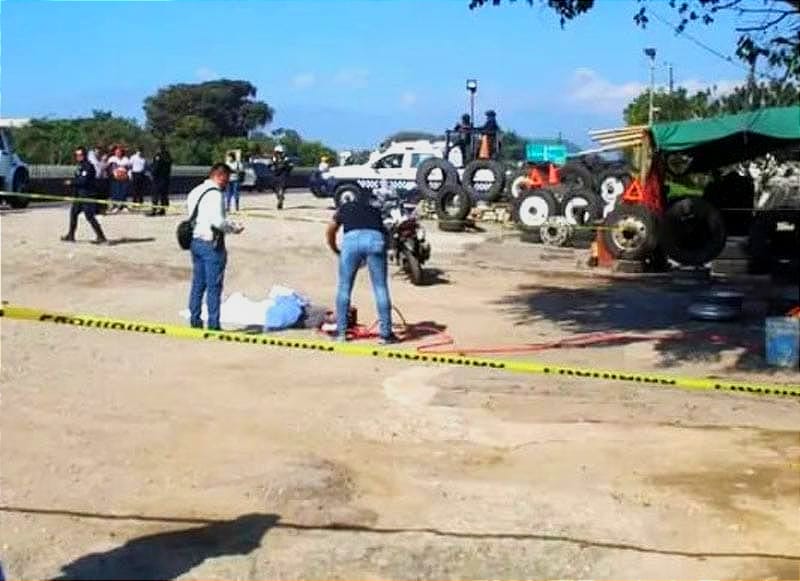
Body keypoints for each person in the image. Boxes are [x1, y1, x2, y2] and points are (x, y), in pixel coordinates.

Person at [325, 190, 397, 344]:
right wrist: (387, 250)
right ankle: (386, 335)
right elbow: (386, 234)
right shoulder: (375, 210)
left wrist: (335, 249)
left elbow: (331, 229)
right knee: (380, 287)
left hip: (351, 242)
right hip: (375, 240)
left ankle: (341, 333)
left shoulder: (345, 208)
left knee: (344, 287)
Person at [186, 163, 244, 331]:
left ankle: (195, 320)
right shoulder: (216, 194)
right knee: (214, 286)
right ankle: (213, 324)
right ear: (220, 176)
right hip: (211, 243)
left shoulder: (195, 191)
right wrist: (234, 228)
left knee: (198, 283)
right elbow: (218, 222)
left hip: (195, 241)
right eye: (227, 179)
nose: (227, 183)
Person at [61, 146, 107, 244]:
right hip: (78, 195)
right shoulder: (80, 166)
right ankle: (71, 235)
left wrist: (71, 182)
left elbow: (83, 181)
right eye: (76, 155)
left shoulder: (88, 166)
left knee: (89, 216)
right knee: (73, 213)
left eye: (80, 155)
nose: (78, 157)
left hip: (87, 195)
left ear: (84, 155)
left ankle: (101, 237)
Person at [148, 142, 172, 216]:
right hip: (166, 178)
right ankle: (163, 210)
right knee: (164, 194)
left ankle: (154, 210)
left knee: (155, 194)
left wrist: (152, 173)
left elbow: (156, 167)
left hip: (158, 178)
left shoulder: (158, 156)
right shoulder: (168, 156)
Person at [106, 145, 132, 213]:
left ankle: (123, 206)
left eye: (119, 152)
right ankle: (115, 206)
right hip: (115, 178)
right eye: (117, 152)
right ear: (114, 152)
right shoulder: (112, 159)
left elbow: (129, 169)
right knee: (115, 192)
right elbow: (110, 169)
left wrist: (129, 176)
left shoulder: (126, 159)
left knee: (124, 192)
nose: (118, 153)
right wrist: (114, 174)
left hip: (124, 178)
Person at [269, 145, 293, 210]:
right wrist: (272, 167)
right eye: (277, 152)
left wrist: (285, 167)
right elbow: (269, 166)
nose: (278, 154)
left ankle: (281, 197)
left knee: (282, 186)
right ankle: (279, 197)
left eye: (279, 152)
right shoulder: (273, 158)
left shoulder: (286, 159)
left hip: (283, 174)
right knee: (273, 186)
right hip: (275, 174)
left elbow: (290, 166)